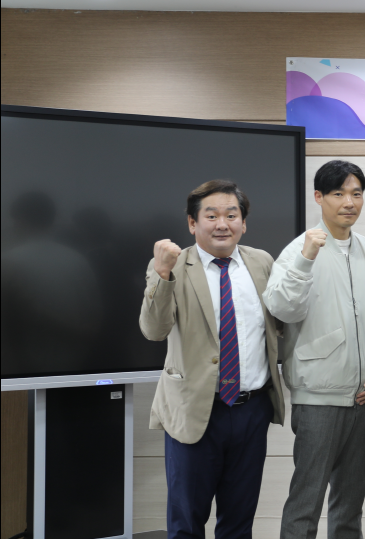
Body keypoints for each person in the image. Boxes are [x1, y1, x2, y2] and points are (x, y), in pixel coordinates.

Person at [265, 159, 365, 539]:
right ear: (319, 197)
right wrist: (306, 258)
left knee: (349, 509)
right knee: (305, 506)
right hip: (317, 401)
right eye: (339, 193)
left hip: (364, 399)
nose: (349, 202)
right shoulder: (298, 251)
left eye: (356, 194)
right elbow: (281, 308)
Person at [139, 180, 285, 539]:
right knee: (186, 523)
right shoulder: (172, 265)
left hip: (252, 410)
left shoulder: (262, 262)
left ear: (243, 223)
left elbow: (281, 323)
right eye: (211, 215)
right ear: (193, 223)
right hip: (195, 409)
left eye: (231, 215)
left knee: (239, 522)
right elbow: (154, 330)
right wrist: (163, 274)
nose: (223, 224)